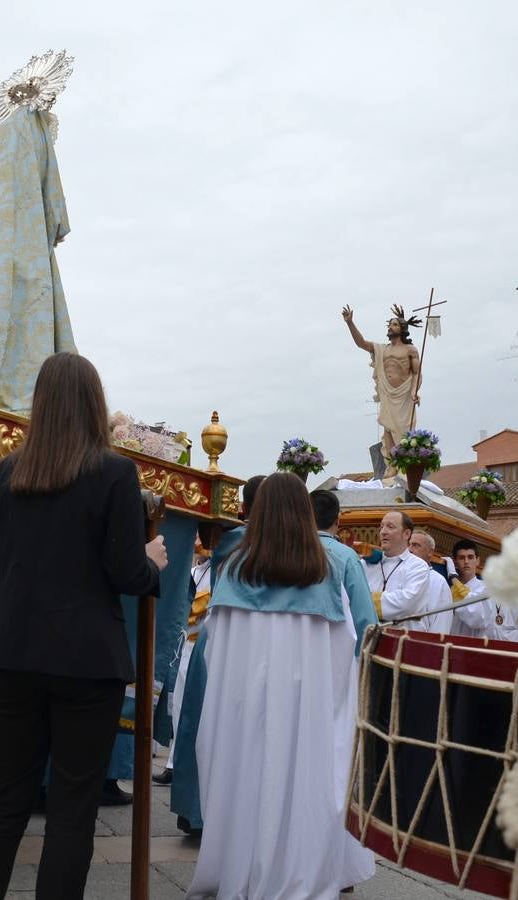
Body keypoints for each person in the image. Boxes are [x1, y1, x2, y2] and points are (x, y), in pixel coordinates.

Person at [0, 352, 168, 900]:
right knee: (72, 807)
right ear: (92, 404)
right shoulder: (113, 472)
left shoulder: (3, 475)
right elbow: (125, 572)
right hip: (85, 660)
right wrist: (152, 562)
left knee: (6, 796)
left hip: (14, 655)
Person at [188, 473, 376, 898]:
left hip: (245, 701)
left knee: (248, 776)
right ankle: (302, 867)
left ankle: (243, 865)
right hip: (307, 702)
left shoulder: (235, 569)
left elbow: (216, 646)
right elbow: (347, 642)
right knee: (302, 781)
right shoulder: (328, 568)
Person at [169, 474, 265, 836]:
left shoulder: (236, 539)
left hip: (218, 637)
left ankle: (196, 812)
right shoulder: (247, 540)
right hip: (245, 641)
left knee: (202, 721)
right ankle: (210, 813)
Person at [154, 523, 214, 786]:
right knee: (177, 706)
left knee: (192, 707)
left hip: (199, 645)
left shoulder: (215, 571)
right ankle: (171, 762)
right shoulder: (195, 569)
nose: (198, 540)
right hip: (184, 646)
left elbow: (200, 608)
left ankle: (178, 763)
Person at [342, 303, 422, 460]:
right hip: (387, 394)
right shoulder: (382, 349)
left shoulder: (410, 350)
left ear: (402, 329)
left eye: (394, 324)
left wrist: (414, 391)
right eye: (390, 324)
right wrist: (350, 323)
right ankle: (392, 466)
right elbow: (361, 343)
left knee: (405, 432)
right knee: (388, 429)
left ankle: (404, 465)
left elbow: (417, 373)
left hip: (404, 396)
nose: (390, 327)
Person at [311, 488, 379, 652]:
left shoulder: (287, 551)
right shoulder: (346, 556)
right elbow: (364, 617)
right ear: (338, 521)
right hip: (334, 651)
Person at [362, 511, 433, 629]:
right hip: (368, 637)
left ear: (406, 534)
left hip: (403, 639)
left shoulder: (417, 566)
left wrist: (364, 599)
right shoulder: (366, 564)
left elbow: (407, 603)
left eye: (390, 527)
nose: (383, 531)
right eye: (381, 526)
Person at [408, 531, 455, 633]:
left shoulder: (438, 582)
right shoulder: (400, 573)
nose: (410, 549)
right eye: (409, 545)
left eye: (416, 545)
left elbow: (441, 623)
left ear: (430, 552)